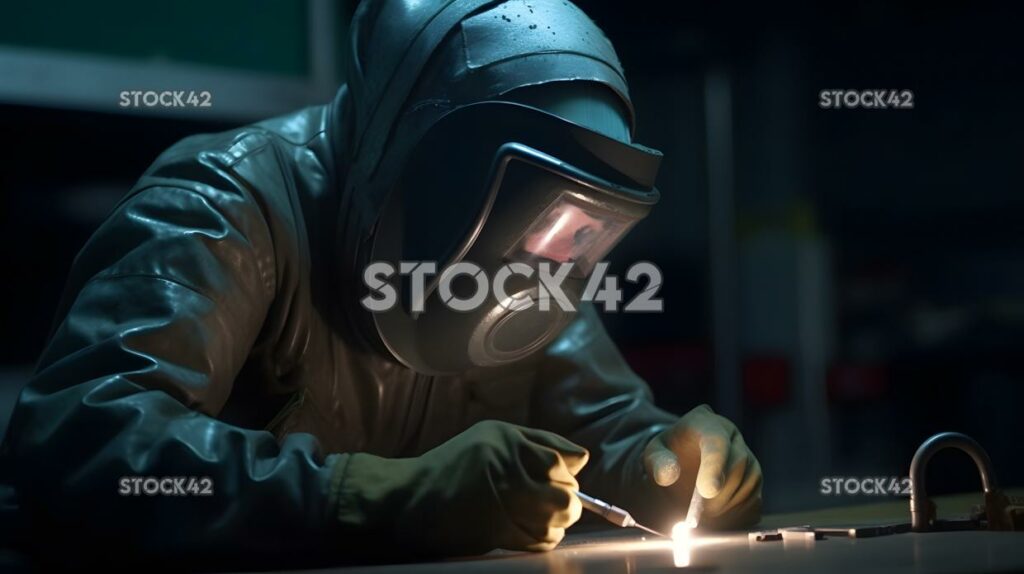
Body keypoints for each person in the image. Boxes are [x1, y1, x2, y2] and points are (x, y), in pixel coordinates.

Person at [0, 0, 761, 567]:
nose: (553, 258)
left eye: (582, 231)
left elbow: (613, 431)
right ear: (432, 173)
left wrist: (670, 465)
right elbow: (85, 442)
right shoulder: (225, 208)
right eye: (539, 216)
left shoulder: (539, 269)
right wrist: (363, 496)